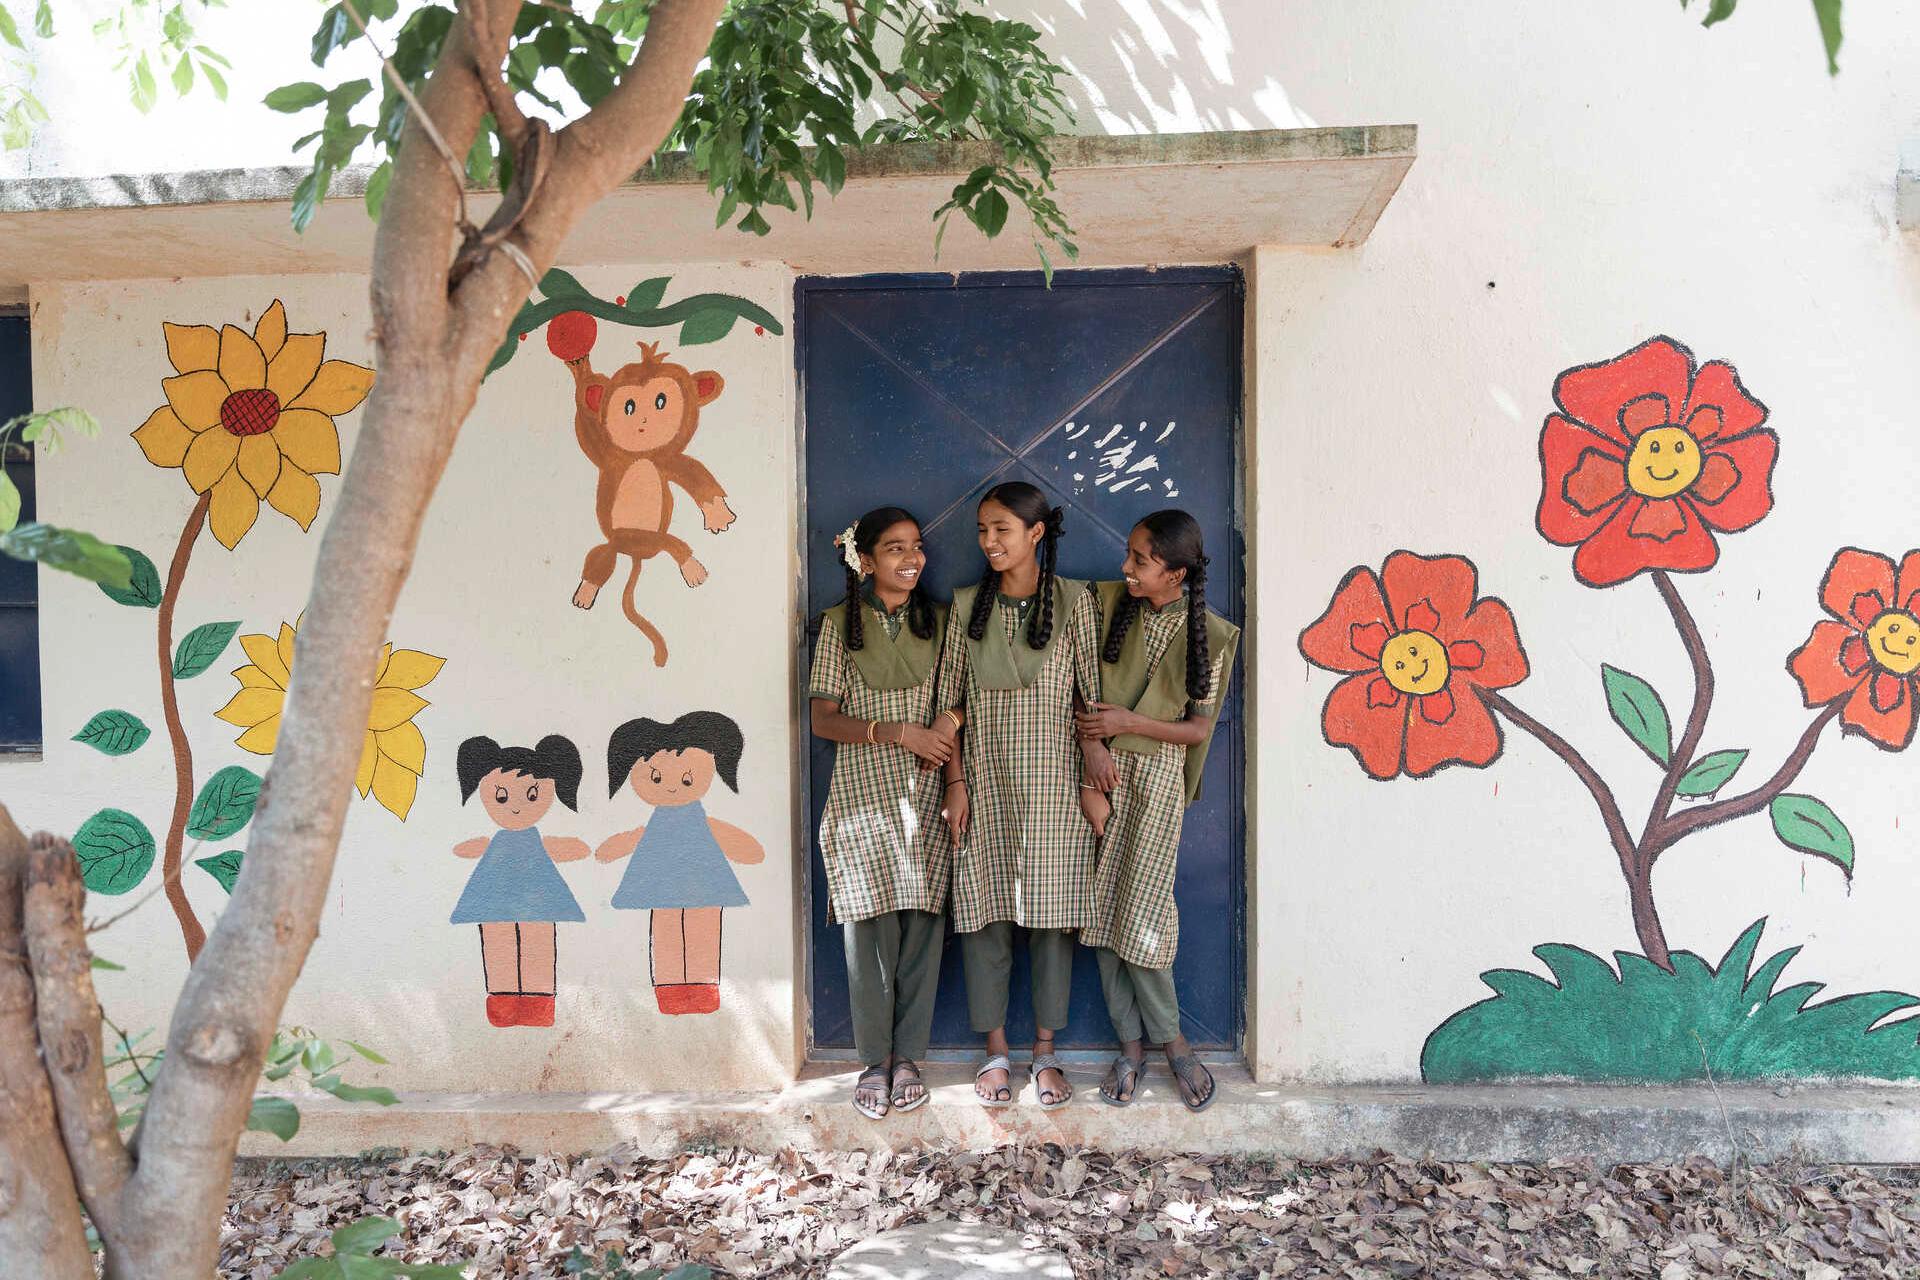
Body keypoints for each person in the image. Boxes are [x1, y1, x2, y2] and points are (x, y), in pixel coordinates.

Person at [938, 480, 1104, 1109]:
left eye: (1002, 529)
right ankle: (996, 1052)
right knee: (984, 921)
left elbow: (1091, 697)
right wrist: (955, 782)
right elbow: (950, 703)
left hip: (1055, 789)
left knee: (1053, 922)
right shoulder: (965, 608)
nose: (989, 542)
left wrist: (1092, 780)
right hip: (985, 787)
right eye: (982, 530)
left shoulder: (1073, 603)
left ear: (1036, 533)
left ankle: (1045, 1052)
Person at [1076, 510, 1240, 1111]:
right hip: (1099, 776)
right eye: (1130, 555)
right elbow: (1075, 683)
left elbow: (1197, 730)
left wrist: (1126, 722)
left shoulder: (1215, 637)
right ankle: (1133, 1046)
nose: (1126, 568)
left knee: (1142, 911)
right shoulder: (1102, 606)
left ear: (1175, 573)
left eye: (1140, 561)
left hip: (1158, 783)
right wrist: (1093, 752)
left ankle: (1170, 1041)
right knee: (1101, 912)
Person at [808, 506, 959, 1118]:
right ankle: (874, 1059)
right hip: (859, 800)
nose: (911, 558)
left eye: (916, 547)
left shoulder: (941, 622)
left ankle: (910, 1057)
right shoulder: (839, 625)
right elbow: (823, 718)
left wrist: (953, 776)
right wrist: (902, 733)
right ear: (865, 561)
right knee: (867, 930)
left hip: (924, 798)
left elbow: (957, 703)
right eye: (895, 549)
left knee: (923, 926)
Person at [597, 711, 765, 1014]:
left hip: (706, 887)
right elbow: (629, 839)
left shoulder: (701, 823)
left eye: (687, 777)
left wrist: (748, 849)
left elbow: (738, 843)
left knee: (702, 929)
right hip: (665, 887)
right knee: (667, 930)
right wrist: (607, 850)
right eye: (657, 778)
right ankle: (671, 992)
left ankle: (702, 990)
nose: (673, 787)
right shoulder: (656, 826)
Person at [449, 735, 591, 1028]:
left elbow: (566, 847)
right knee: (498, 943)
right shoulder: (497, 843)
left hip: (536, 901)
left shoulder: (532, 841)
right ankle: (503, 1004)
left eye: (532, 796)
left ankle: (537, 1004)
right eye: (501, 797)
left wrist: (573, 847)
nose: (515, 807)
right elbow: (471, 848)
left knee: (536, 943)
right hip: (496, 902)